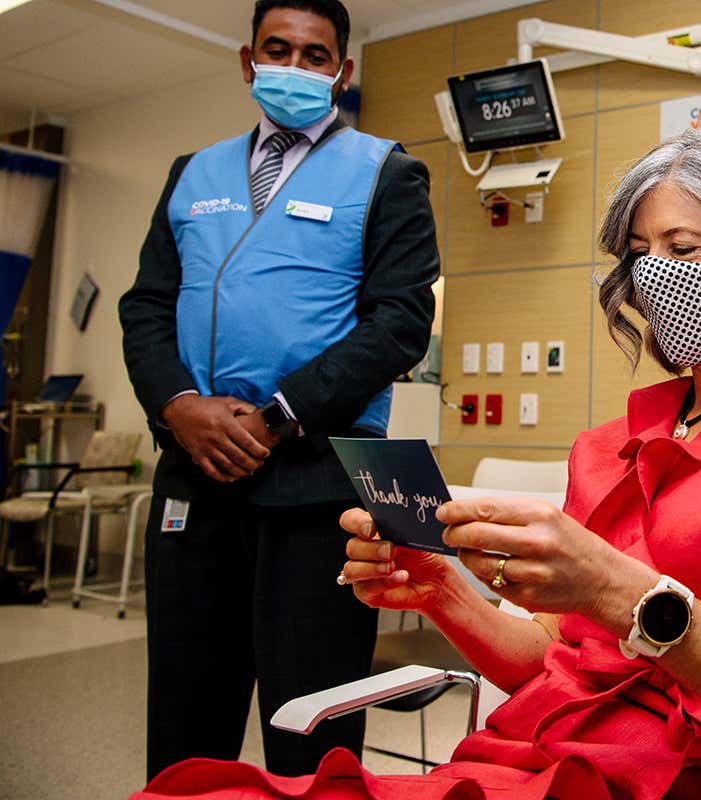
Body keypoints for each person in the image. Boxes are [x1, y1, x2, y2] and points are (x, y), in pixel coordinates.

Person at [133, 126, 701, 800]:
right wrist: (441, 590)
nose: (653, 275)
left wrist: (619, 591)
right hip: (534, 755)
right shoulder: (612, 446)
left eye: (682, 246)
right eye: (640, 251)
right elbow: (555, 664)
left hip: (679, 773)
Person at [118, 0, 439, 781]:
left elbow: (400, 322)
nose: (294, 67)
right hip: (195, 474)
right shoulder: (192, 174)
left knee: (312, 725)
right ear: (248, 61)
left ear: (341, 71)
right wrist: (177, 407)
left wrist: (280, 415)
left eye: (314, 55)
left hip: (317, 485)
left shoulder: (385, 171)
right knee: (186, 720)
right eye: (278, 49)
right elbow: (147, 306)